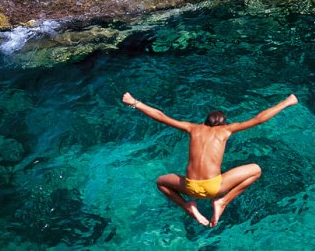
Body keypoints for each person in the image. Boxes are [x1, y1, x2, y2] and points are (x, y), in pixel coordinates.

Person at [121, 92, 298, 227]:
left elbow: (161, 116)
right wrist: (286, 102)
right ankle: (222, 202)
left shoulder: (192, 128)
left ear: (205, 122)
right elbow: (259, 119)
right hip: (214, 188)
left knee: (161, 182)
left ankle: (187, 206)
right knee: (256, 170)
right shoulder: (226, 130)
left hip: (190, 187)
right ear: (223, 123)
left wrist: (135, 102)